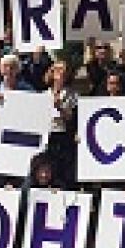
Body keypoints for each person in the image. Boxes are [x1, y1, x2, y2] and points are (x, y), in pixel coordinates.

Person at [45, 60, 78, 189]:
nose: (60, 72)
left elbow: (72, 117)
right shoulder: (44, 94)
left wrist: (60, 107)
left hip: (64, 136)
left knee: (63, 170)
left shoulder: (72, 95)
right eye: (57, 69)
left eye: (63, 70)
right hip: (48, 136)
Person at [0, 54, 34, 123]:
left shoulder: (28, 90)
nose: (8, 69)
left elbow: (32, 111)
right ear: (0, 69)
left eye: (12, 66)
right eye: (5, 66)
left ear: (18, 69)